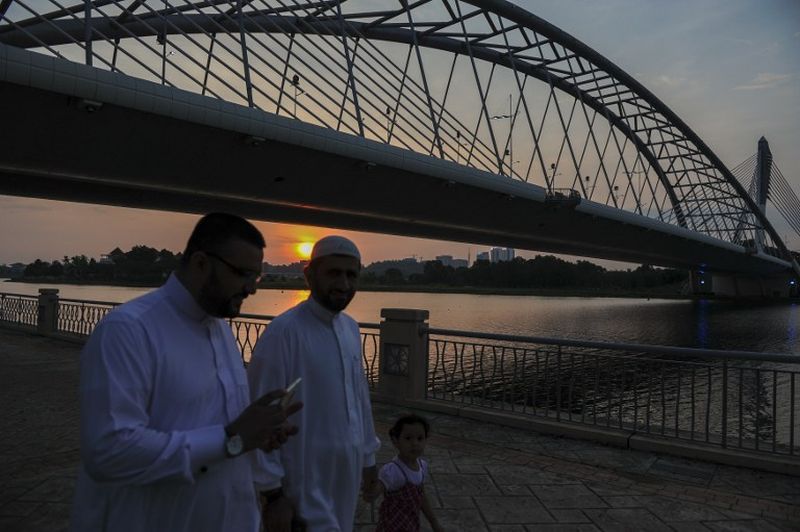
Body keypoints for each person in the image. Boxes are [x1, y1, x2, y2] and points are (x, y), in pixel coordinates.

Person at [69, 212, 302, 532]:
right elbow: (109, 453)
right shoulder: (128, 331)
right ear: (201, 263)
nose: (251, 289)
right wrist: (231, 438)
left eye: (257, 277)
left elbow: (221, 432)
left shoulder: (220, 329)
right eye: (243, 274)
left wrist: (255, 434)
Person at [248, 235, 381, 531]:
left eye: (351, 275)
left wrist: (368, 458)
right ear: (310, 275)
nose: (344, 284)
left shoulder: (349, 328)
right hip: (301, 482)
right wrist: (272, 493)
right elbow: (260, 417)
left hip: (345, 478)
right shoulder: (283, 333)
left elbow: (359, 398)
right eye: (334, 273)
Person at [373, 414, 443, 532]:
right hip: (391, 526)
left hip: (411, 524)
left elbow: (421, 496)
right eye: (408, 438)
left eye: (420, 438)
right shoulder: (392, 471)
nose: (415, 443)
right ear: (396, 441)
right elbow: (375, 490)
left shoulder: (422, 466)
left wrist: (434, 523)